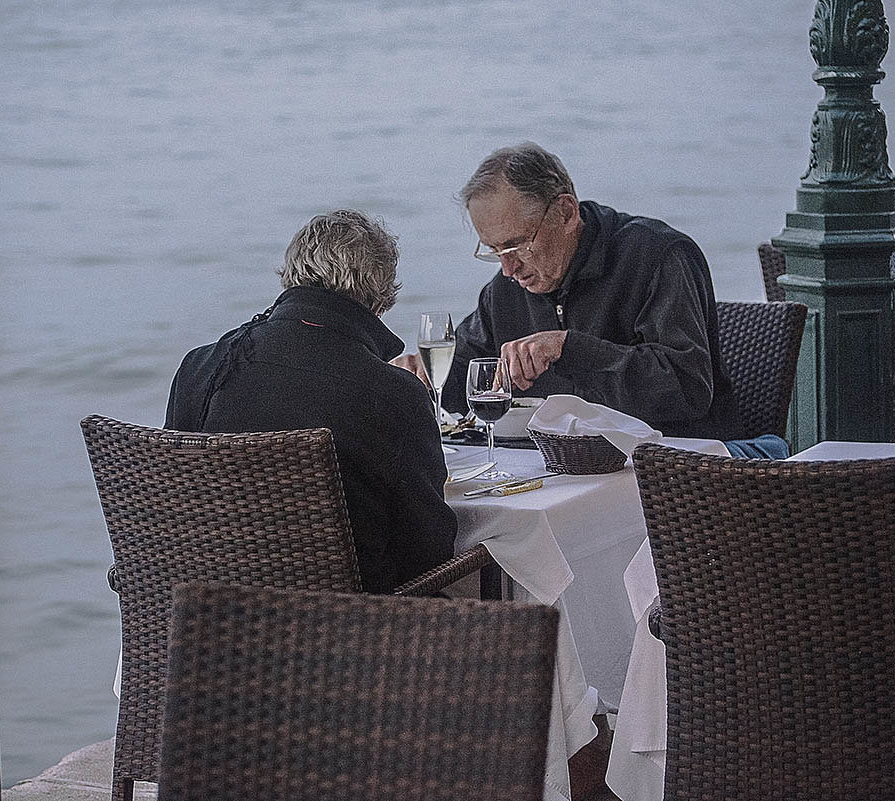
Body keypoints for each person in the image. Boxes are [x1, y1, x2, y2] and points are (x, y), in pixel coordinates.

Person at [164, 209, 457, 593]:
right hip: (353, 635)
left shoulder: (200, 368)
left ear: (291, 276)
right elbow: (429, 551)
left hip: (209, 627)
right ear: (381, 297)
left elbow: (172, 510)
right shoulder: (393, 393)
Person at [419, 142, 743, 441]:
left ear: (566, 213)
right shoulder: (505, 289)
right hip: (559, 467)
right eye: (494, 250)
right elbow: (467, 374)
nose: (507, 269)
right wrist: (417, 379)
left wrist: (568, 349)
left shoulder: (658, 256)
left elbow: (687, 389)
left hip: (679, 467)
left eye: (517, 245)